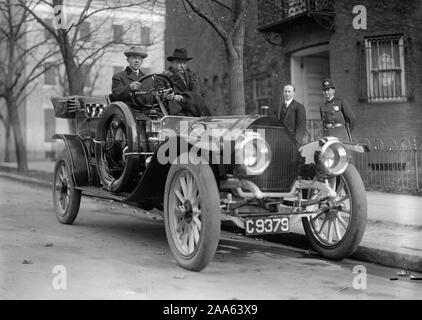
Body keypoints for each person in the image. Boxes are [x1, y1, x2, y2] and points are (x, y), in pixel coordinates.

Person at [163, 48, 214, 117]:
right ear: (172, 63)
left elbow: (202, 95)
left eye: (184, 63)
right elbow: (163, 96)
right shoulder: (165, 78)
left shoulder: (194, 78)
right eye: (178, 63)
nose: (182, 66)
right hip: (176, 115)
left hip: (195, 114)